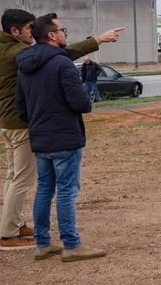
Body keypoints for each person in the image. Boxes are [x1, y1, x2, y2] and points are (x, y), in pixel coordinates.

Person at [0, 9, 122, 251]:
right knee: (25, 181)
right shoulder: (21, 53)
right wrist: (98, 40)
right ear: (14, 31)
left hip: (8, 120)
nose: (32, 33)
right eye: (29, 28)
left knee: (16, 177)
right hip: (25, 124)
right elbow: (63, 55)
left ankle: (15, 224)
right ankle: (9, 234)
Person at [16, 13, 107, 262]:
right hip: (65, 137)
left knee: (45, 189)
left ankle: (43, 244)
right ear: (52, 35)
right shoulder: (62, 64)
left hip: (40, 138)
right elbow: (81, 103)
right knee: (67, 190)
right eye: (62, 29)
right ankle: (71, 244)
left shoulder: (25, 66)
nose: (65, 33)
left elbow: (20, 107)